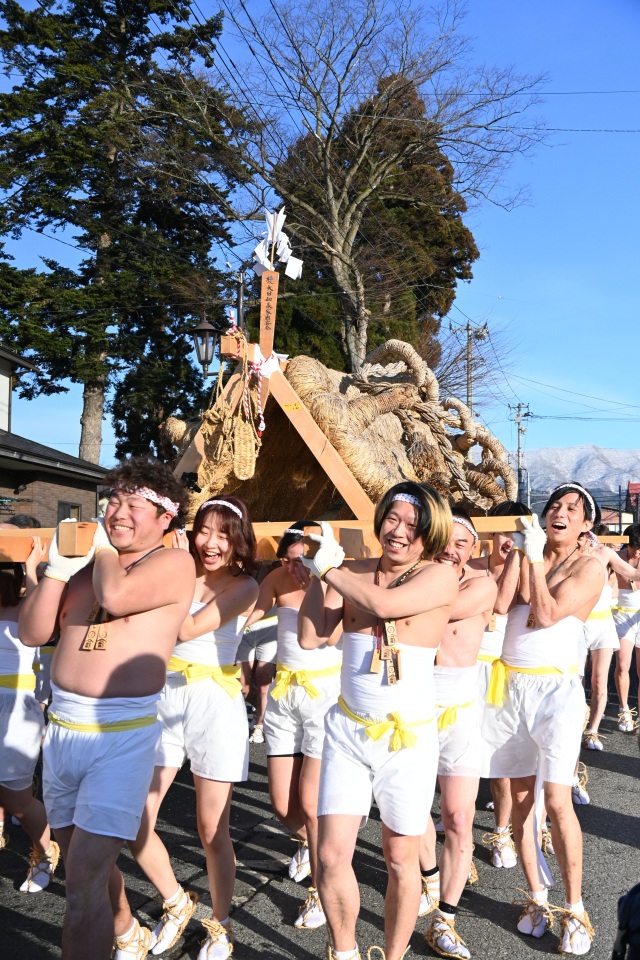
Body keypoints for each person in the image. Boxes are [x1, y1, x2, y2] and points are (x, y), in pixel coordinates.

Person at [19, 457, 196, 960]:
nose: (117, 512)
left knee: (80, 888)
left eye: (133, 503)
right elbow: (34, 632)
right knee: (82, 871)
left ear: (165, 517)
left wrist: (96, 553)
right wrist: (54, 569)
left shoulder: (172, 563)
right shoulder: (86, 569)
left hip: (120, 737)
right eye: (113, 500)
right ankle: (127, 931)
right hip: (62, 733)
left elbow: (116, 597)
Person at [299, 481, 459, 960]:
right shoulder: (352, 572)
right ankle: (345, 952)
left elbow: (386, 606)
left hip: (406, 739)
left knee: (400, 858)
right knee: (328, 857)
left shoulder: (440, 575)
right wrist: (316, 572)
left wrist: (333, 570)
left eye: (413, 525)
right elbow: (311, 636)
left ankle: (392, 955)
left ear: (430, 534)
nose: (399, 531)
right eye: (393, 518)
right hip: (348, 731)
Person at [127, 496, 258, 960]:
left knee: (210, 829)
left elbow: (186, 629)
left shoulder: (244, 587)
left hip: (214, 704)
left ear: (239, 540)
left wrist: (176, 570)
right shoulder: (177, 569)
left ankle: (220, 925)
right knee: (134, 818)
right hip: (164, 696)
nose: (210, 542)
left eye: (224, 533)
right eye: (204, 529)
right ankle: (176, 901)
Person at [485, 482, 604, 956]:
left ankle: (575, 907)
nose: (560, 512)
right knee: (519, 798)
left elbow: (549, 611)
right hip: (510, 685)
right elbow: (500, 604)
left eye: (572, 509)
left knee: (556, 801)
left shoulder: (591, 566)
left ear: (585, 526)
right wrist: (519, 551)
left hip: (555, 690)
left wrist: (533, 555)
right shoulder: (532, 551)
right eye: (555, 504)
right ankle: (537, 897)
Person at [245, 522, 342, 929]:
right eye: (288, 557)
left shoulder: (337, 580)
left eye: (302, 558)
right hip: (284, 695)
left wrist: (322, 579)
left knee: (309, 801)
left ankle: (321, 892)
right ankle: (315, 846)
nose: (294, 565)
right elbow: (247, 616)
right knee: (283, 806)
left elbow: (329, 637)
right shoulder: (276, 578)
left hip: (324, 696)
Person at [419, 510, 497, 960]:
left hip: (462, 707)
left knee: (459, 817)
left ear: (474, 550)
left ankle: (445, 919)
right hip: (414, 703)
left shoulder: (480, 584)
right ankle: (431, 875)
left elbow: (439, 607)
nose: (453, 548)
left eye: (463, 542)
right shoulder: (419, 577)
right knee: (411, 813)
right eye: (446, 539)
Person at [469, 500, 528, 870]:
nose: (509, 540)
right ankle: (454, 820)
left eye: (517, 534)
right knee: (454, 756)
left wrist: (519, 560)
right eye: (505, 531)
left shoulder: (526, 575)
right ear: (492, 532)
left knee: (500, 761)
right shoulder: (468, 568)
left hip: (503, 676)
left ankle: (502, 831)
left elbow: (506, 606)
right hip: (463, 671)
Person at [0, 542, 56, 893]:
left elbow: (42, 624)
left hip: (17, 706)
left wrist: (34, 568)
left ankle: (46, 851)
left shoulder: (27, 606)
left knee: (18, 798)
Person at [580, 522, 640, 749]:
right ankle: (582, 721)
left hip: (606, 623)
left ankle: (592, 731)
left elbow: (633, 573)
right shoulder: (569, 552)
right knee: (578, 680)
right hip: (584, 623)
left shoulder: (605, 553)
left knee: (599, 681)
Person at [611, 524, 640, 733]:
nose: (636, 552)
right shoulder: (615, 557)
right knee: (622, 664)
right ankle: (624, 709)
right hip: (621, 613)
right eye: (633, 548)